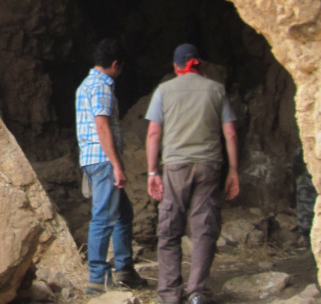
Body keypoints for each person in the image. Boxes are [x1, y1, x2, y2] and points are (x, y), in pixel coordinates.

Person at [145, 43, 240, 304]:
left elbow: (153, 133)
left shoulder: (164, 90)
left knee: (169, 230)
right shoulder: (216, 89)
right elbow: (230, 133)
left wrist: (152, 172)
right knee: (204, 229)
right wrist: (233, 170)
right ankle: (197, 292)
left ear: (175, 66)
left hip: (175, 167)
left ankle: (170, 294)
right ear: (200, 64)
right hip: (209, 166)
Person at [76, 38, 147, 295]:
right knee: (104, 217)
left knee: (122, 214)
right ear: (116, 64)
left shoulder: (85, 85)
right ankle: (98, 278)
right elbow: (102, 126)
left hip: (91, 158)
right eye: (121, 67)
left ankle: (125, 269)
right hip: (104, 160)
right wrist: (117, 164)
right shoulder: (101, 87)